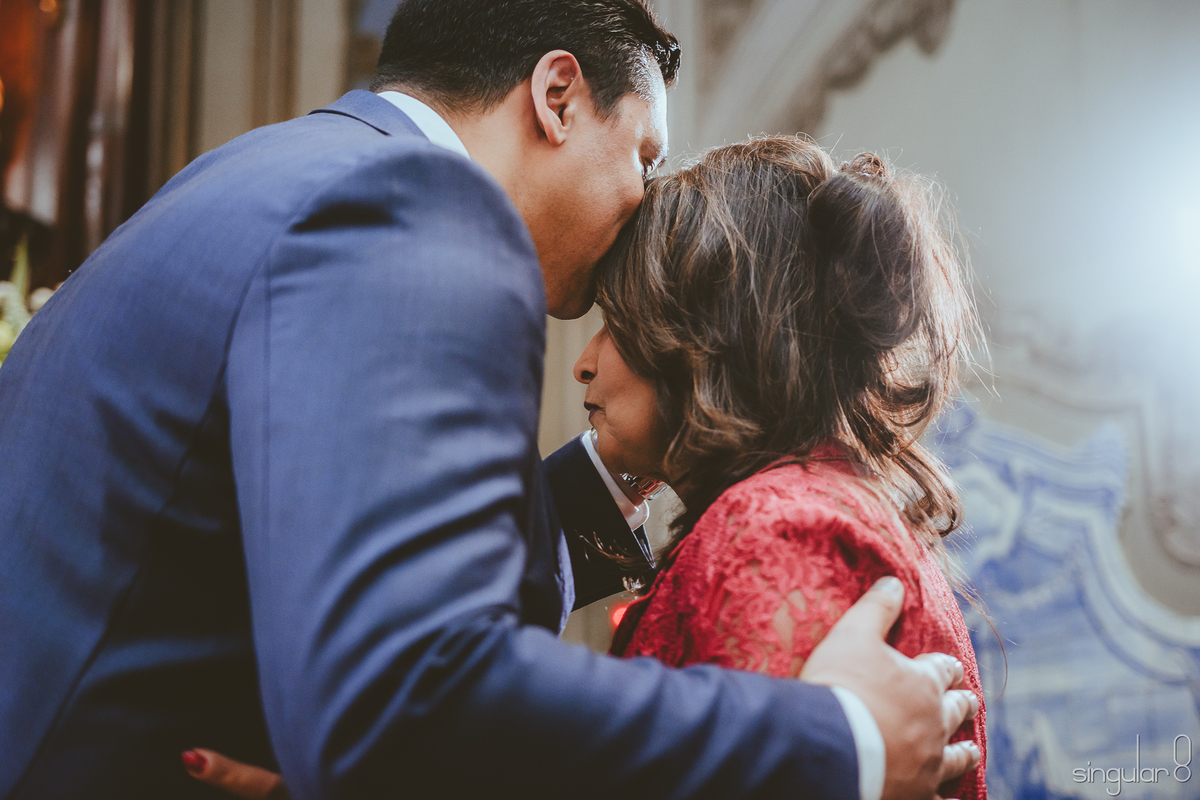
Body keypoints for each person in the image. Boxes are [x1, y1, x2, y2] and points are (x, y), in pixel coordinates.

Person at [0, 2, 976, 800]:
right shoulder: (415, 207)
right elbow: (409, 684)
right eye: (643, 156)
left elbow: (309, 537)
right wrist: (832, 738)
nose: (645, 199)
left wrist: (621, 472)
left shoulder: (280, 170)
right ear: (558, 96)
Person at [581, 138, 989, 800]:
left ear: (703, 336)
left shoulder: (771, 529)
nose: (586, 362)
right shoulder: (818, 501)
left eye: (615, 322)